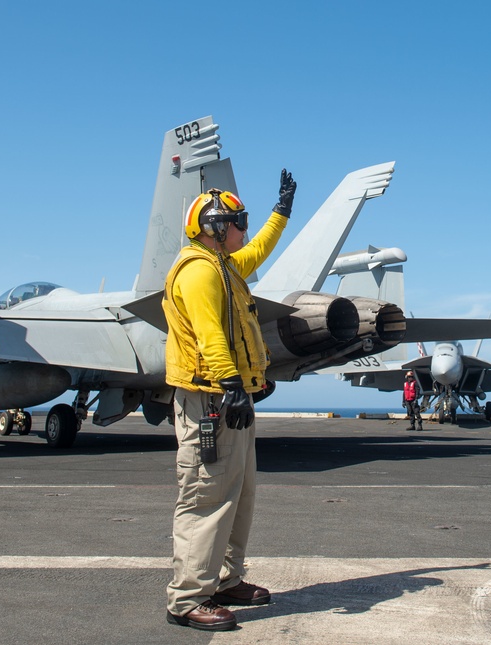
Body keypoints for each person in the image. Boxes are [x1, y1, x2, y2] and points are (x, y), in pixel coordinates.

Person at [162, 170, 295, 632]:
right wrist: (233, 385)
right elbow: (210, 335)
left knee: (239, 495)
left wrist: (282, 212)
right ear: (216, 226)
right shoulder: (200, 271)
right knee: (206, 495)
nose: (243, 227)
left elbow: (257, 249)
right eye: (238, 220)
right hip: (210, 401)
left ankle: (224, 579)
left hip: (230, 400)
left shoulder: (223, 265)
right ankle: (187, 598)